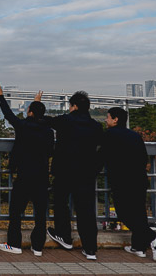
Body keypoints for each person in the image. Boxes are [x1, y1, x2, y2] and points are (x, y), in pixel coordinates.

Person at [0, 84, 54, 256]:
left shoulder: (23, 126)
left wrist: (1, 96)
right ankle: (37, 247)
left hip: (24, 174)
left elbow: (8, 115)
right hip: (42, 175)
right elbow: (50, 151)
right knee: (40, 213)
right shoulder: (49, 131)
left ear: (29, 112)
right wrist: (37, 104)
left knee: (15, 211)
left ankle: (14, 244)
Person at [44, 91, 103, 260]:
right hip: (86, 174)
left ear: (74, 106)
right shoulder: (95, 126)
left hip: (64, 171)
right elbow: (102, 148)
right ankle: (90, 248)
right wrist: (95, 168)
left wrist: (38, 105)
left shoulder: (65, 121)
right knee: (86, 210)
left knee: (61, 203)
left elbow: (46, 120)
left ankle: (64, 237)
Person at [101, 107, 156, 261]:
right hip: (139, 179)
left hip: (122, 180)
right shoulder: (135, 135)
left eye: (108, 117)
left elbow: (101, 156)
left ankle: (153, 237)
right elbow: (144, 158)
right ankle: (139, 247)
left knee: (123, 212)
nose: (105, 120)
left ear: (115, 119)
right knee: (139, 213)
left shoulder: (109, 135)